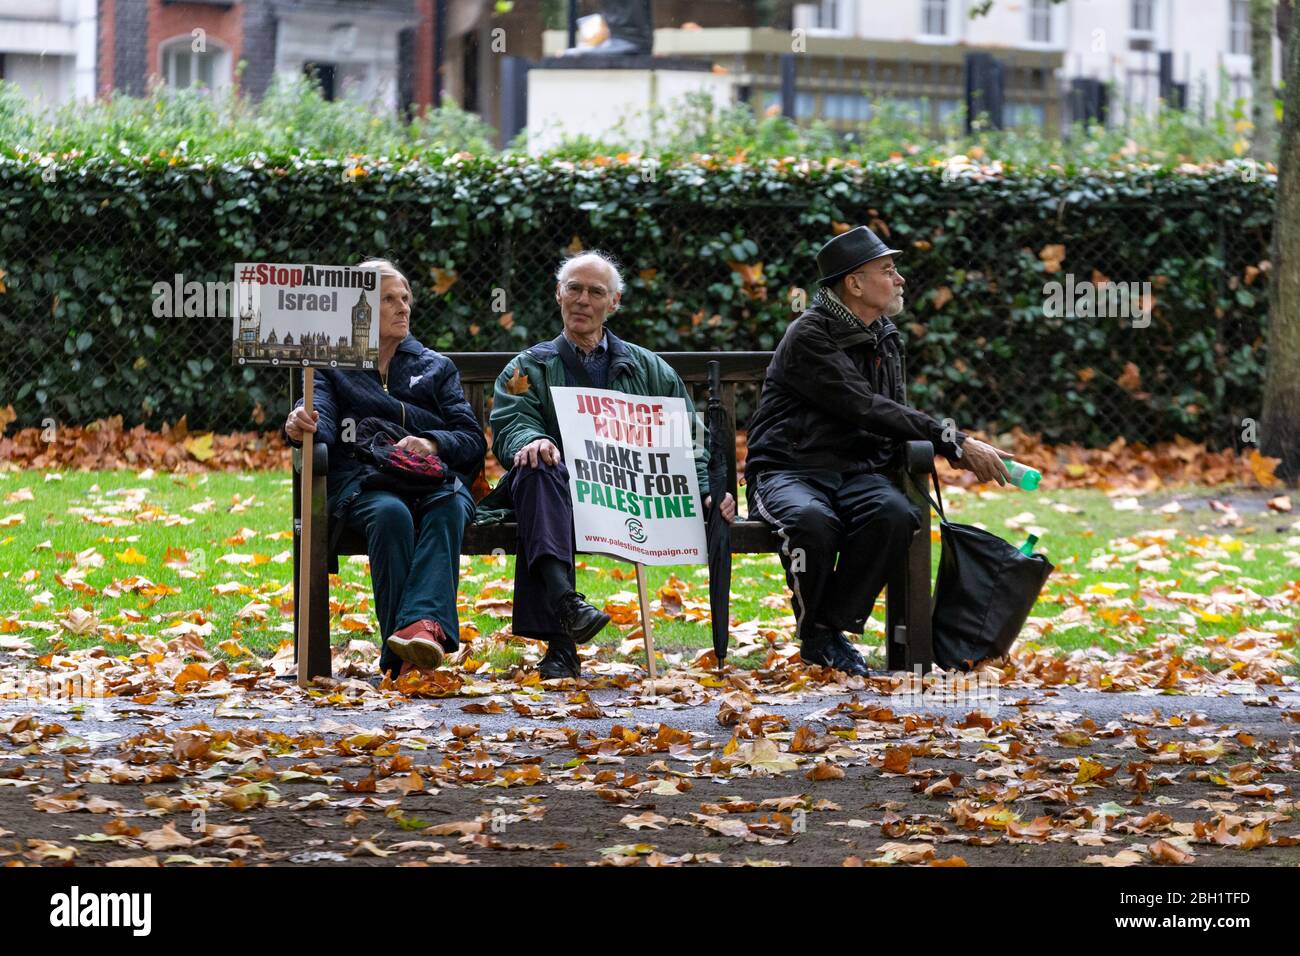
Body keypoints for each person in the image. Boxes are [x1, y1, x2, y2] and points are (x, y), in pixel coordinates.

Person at [745, 226, 1013, 677]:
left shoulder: (883, 334)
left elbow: (891, 411)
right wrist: (954, 441)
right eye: (888, 270)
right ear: (854, 283)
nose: (900, 279)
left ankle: (827, 630)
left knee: (893, 513)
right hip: (789, 471)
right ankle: (819, 635)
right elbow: (865, 406)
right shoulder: (809, 334)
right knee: (811, 522)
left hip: (856, 472)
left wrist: (933, 445)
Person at [485, 250, 737, 680]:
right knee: (538, 471)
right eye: (574, 289)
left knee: (541, 487)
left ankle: (563, 633)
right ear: (558, 295)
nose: (583, 300)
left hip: (622, 493)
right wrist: (533, 441)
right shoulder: (527, 368)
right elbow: (511, 422)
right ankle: (566, 617)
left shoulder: (650, 368)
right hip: (552, 493)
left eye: (596, 292)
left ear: (613, 303)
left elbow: (686, 438)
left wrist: (705, 488)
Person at [283, 258, 485, 680]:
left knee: (447, 508)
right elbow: (319, 420)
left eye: (405, 298)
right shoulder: (331, 364)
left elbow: (470, 439)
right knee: (391, 515)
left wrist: (432, 442)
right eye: (388, 299)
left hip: (433, 481)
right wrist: (300, 420)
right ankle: (414, 650)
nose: (403, 307)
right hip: (367, 482)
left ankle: (411, 649)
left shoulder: (435, 367)